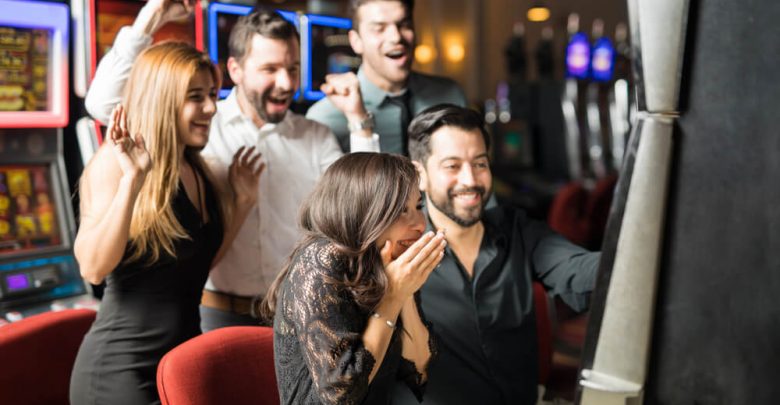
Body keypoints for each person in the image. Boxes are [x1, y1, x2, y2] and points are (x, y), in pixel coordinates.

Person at [84, 0, 379, 332]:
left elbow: (363, 211)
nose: (285, 82)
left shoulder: (316, 136)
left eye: (293, 68)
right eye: (270, 69)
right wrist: (150, 18)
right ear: (235, 70)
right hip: (217, 315)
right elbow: (102, 104)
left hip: (301, 314)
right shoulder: (201, 124)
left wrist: (358, 120)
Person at [70, 42, 261, 404]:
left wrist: (244, 203)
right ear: (161, 99)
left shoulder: (198, 169)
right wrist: (132, 182)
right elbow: (93, 268)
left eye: (211, 95)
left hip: (178, 365)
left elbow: (198, 263)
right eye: (195, 97)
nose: (210, 108)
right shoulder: (115, 163)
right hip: (120, 370)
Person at [391, 104, 600, 405]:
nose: (471, 180)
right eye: (452, 166)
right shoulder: (399, 254)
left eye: (480, 163)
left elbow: (581, 271)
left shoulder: (519, 230)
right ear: (419, 175)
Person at [262, 152, 446, 404]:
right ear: (364, 211)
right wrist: (391, 299)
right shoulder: (320, 260)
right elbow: (341, 394)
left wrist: (405, 293)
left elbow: (419, 370)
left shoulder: (390, 260)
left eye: (418, 206)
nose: (419, 224)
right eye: (401, 211)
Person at [306, 0, 467, 155]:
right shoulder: (323, 119)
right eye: (379, 28)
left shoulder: (451, 95)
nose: (396, 37)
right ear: (356, 41)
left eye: (404, 24)